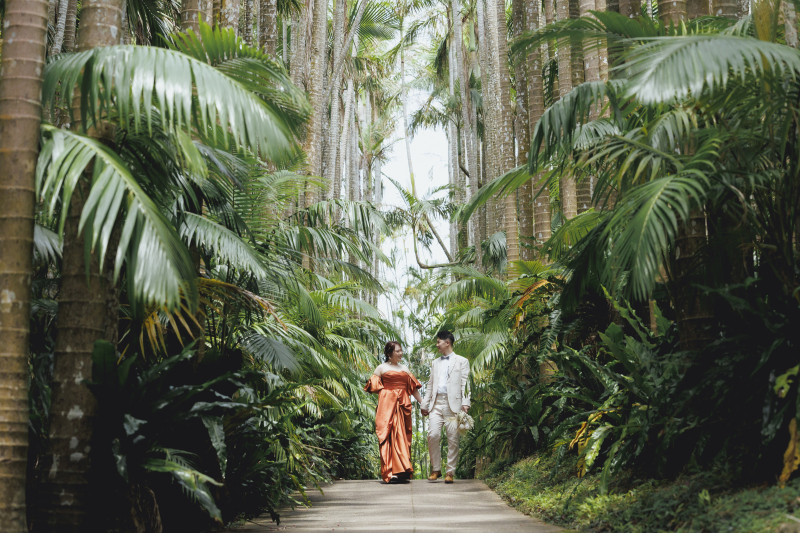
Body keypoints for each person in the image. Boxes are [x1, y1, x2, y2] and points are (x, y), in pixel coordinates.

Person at [364, 341, 424, 483]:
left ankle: (402, 471)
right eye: (397, 351)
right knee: (389, 437)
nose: (400, 353)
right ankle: (390, 472)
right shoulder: (381, 368)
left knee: (402, 437)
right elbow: (372, 387)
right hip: (387, 407)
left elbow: (413, 388)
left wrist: (423, 403)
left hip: (403, 406)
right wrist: (389, 393)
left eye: (401, 350)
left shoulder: (404, 368)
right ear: (389, 353)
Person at [420, 330, 470, 483]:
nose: (437, 345)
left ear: (447, 342)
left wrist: (465, 403)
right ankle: (436, 470)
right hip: (436, 403)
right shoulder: (435, 363)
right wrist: (424, 403)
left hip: (453, 404)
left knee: (452, 439)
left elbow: (465, 383)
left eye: (438, 342)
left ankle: (450, 472)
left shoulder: (462, 361)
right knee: (432, 435)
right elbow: (430, 385)